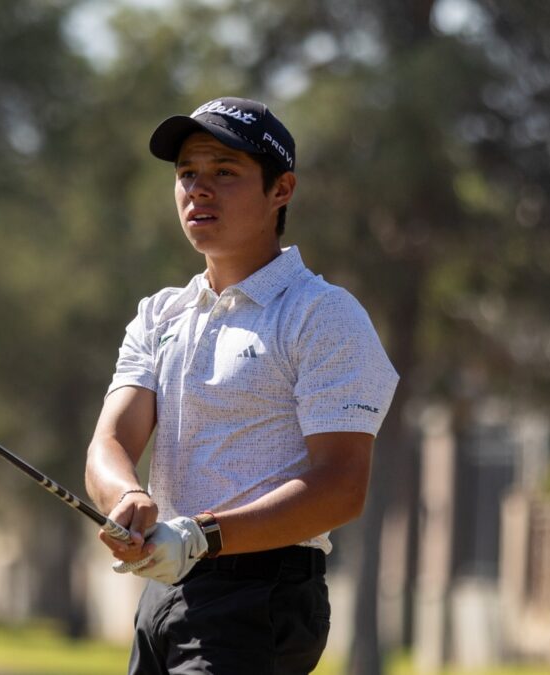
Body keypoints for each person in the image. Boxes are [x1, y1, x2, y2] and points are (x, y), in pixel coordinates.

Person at [84, 96, 399, 675]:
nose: (198, 190)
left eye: (224, 173)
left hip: (262, 594)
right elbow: (111, 442)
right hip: (164, 590)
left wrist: (205, 535)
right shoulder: (161, 314)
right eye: (186, 175)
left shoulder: (321, 314)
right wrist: (125, 496)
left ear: (281, 189)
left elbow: (341, 485)